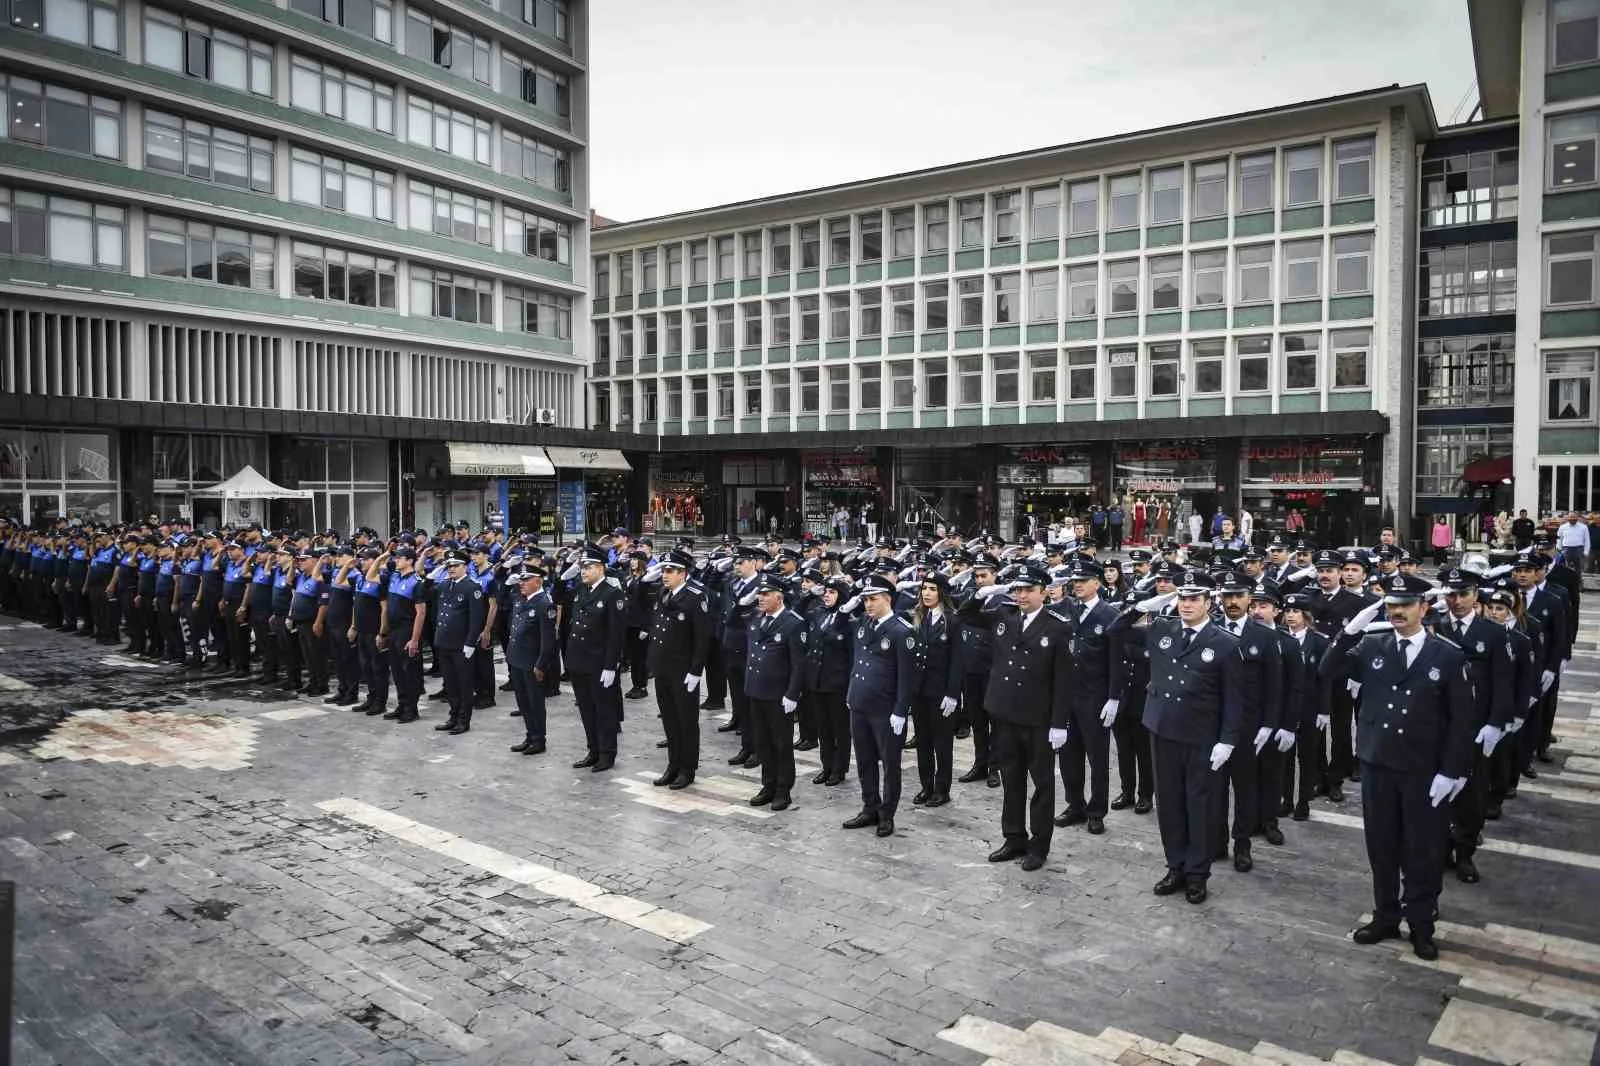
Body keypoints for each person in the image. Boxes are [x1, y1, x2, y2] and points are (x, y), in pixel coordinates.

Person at [1322, 572, 1475, 962]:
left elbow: (1461, 720)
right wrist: (1353, 628)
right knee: (1382, 846)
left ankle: (1421, 925)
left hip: (1423, 769)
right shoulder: (1372, 646)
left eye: (1404, 605)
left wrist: (1452, 771)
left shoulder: (1448, 655)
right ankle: (1386, 915)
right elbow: (1328, 668)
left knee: (1423, 851)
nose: (1396, 613)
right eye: (1390, 606)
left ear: (1424, 607)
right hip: (1378, 764)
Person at [1110, 570, 1243, 904]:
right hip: (1162, 730)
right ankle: (1175, 866)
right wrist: (1146, 603)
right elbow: (1114, 631)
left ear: (1209, 602)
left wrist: (1227, 740)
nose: (1186, 604)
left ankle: (1198, 873)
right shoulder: (1161, 628)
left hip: (1201, 736)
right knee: (1168, 804)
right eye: (1182, 597)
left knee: (1198, 806)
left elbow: (1234, 698)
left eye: (1194, 598)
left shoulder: (1226, 643)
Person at [983, 564, 1073, 872]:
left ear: (1043, 593)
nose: (1021, 595)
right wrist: (987, 591)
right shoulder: (1005, 617)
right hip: (1006, 713)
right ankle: (1013, 838)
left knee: (1042, 785)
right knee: (1011, 780)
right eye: (1017, 590)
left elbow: (1063, 680)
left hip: (1038, 718)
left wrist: (1060, 723)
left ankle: (1039, 845)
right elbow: (965, 614)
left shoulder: (1058, 627)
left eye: (1027, 590)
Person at [1433, 567, 1512, 885]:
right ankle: (1440, 850)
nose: (1457, 600)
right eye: (1451, 594)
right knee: (1437, 795)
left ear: (1476, 595)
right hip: (1438, 728)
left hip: (1476, 729)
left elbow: (1503, 684)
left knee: (1472, 798)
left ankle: (1464, 854)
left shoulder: (1492, 633)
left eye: (1463, 593)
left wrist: (1496, 724)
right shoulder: (1433, 628)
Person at [842, 573, 918, 838]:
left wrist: (901, 710)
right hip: (860, 704)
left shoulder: (901, 631)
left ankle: (887, 814)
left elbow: (907, 677)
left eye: (873, 599)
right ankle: (869, 806)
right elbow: (856, 659)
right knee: (864, 761)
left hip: (885, 710)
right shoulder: (864, 623)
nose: (868, 605)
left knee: (889, 764)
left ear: (887, 598)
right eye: (865, 600)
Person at [1056, 558, 1119, 835]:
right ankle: (1075, 804)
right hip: (1067, 695)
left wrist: (1114, 698)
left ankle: (1096, 810)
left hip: (1095, 697)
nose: (1077, 585)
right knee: (1069, 755)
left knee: (1097, 758)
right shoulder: (1066, 609)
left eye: (1083, 581)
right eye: (1075, 581)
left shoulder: (1109, 616)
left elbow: (1117, 661)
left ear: (1097, 583)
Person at [646, 547, 711, 789]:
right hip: (663, 668)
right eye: (664, 570)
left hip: (683, 671)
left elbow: (702, 638)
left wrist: (696, 671)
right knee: (670, 721)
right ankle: (673, 765)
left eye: (670, 571)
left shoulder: (695, 597)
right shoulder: (664, 592)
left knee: (686, 722)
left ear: (683, 573)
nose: (665, 575)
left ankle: (687, 768)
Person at [742, 574, 808, 810]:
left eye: (766, 594)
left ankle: (783, 789)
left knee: (781, 744)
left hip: (779, 695)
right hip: (756, 691)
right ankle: (768, 784)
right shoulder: (757, 618)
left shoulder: (793, 623)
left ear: (779, 597)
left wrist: (792, 694)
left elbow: (799, 664)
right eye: (760, 594)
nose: (760, 598)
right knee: (763, 743)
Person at [566, 543, 627, 772]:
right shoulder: (582, 591)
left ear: (601, 568)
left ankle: (607, 753)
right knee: (586, 710)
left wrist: (611, 666)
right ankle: (593, 750)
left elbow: (616, 634)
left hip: (599, 664)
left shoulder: (613, 594)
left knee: (604, 711)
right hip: (579, 662)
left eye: (588, 567)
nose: (583, 571)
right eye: (582, 566)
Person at [909, 573, 964, 808]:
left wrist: (953, 693)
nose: (927, 593)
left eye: (932, 588)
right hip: (919, 691)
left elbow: (957, 660)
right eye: (924, 588)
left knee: (942, 744)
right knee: (923, 742)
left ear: (942, 592)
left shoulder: (952, 620)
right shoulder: (917, 617)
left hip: (941, 693)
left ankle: (942, 789)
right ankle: (926, 786)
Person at [1278, 591, 1331, 822]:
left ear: (1306, 615)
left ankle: (1303, 801)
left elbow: (1325, 677)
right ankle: (1286, 799)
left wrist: (1324, 709)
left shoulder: (1319, 641)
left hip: (1310, 707)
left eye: (1296, 611)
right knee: (1285, 759)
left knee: (1307, 758)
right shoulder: (1279, 638)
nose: (1291, 616)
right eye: (1288, 611)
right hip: (1286, 708)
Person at [803, 575, 857, 787]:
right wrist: (809, 594)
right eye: (825, 592)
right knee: (823, 727)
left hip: (838, 683)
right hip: (817, 680)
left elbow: (852, 657)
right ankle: (826, 766)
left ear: (842, 596)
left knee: (839, 729)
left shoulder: (849, 622)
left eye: (832, 592)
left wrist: (851, 687)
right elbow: (798, 613)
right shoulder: (817, 614)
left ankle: (839, 768)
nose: (826, 595)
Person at [432, 552, 486, 736]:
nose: (451, 569)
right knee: (450, 684)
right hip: (444, 642)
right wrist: (431, 575)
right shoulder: (444, 584)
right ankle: (453, 716)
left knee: (464, 685)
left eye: (455, 565)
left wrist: (471, 643)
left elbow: (477, 619)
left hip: (461, 645)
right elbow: (424, 594)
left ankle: (464, 720)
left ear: (465, 566)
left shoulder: (472, 588)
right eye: (448, 566)